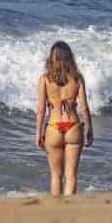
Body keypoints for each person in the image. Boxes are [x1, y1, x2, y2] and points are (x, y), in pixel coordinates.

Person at [35, 41, 93, 195]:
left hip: (53, 129)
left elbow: (41, 110)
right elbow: (84, 107)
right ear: (70, 58)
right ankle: (69, 208)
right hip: (73, 127)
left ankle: (56, 209)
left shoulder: (45, 79)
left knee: (55, 176)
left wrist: (38, 133)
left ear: (51, 58)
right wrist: (89, 129)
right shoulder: (77, 78)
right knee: (71, 175)